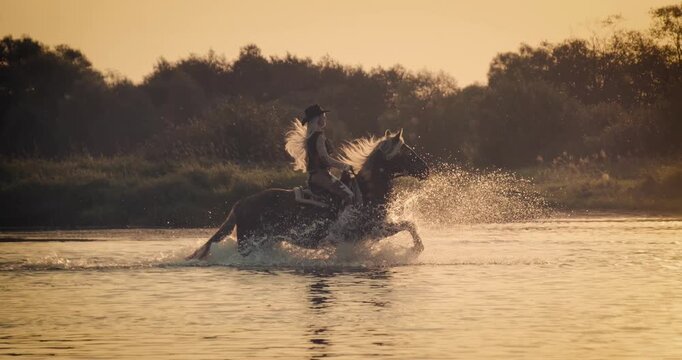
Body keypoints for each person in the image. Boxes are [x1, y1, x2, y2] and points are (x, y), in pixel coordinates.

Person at [285, 104, 355, 207]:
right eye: (323, 116)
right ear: (317, 119)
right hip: (322, 176)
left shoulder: (310, 137)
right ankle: (343, 223)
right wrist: (345, 166)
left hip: (314, 177)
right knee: (349, 196)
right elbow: (325, 159)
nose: (325, 118)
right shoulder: (319, 136)